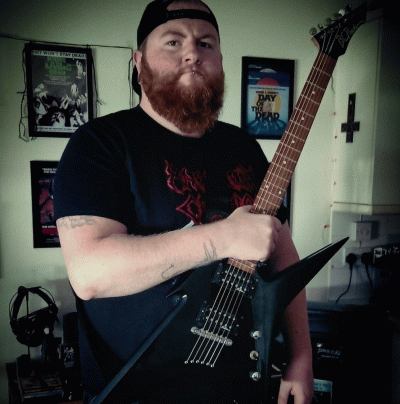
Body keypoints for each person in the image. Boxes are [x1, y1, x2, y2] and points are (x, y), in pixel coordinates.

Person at [54, 0, 313, 403]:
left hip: (240, 386)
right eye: (173, 42)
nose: (193, 54)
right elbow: (90, 274)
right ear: (139, 62)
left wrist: (301, 356)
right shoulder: (98, 145)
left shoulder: (243, 146)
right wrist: (223, 237)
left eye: (206, 44)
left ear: (220, 61)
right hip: (134, 390)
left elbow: (281, 253)